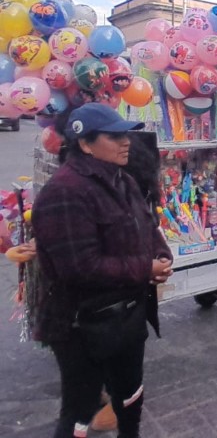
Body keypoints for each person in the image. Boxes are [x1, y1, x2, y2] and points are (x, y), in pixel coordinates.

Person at [32, 103, 173, 438]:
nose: (126, 142)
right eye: (114, 136)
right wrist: (144, 267)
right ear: (84, 143)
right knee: (80, 413)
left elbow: (146, 225)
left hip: (128, 317)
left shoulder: (121, 178)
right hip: (84, 327)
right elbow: (79, 268)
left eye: (125, 134)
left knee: (131, 396)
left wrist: (161, 255)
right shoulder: (65, 192)